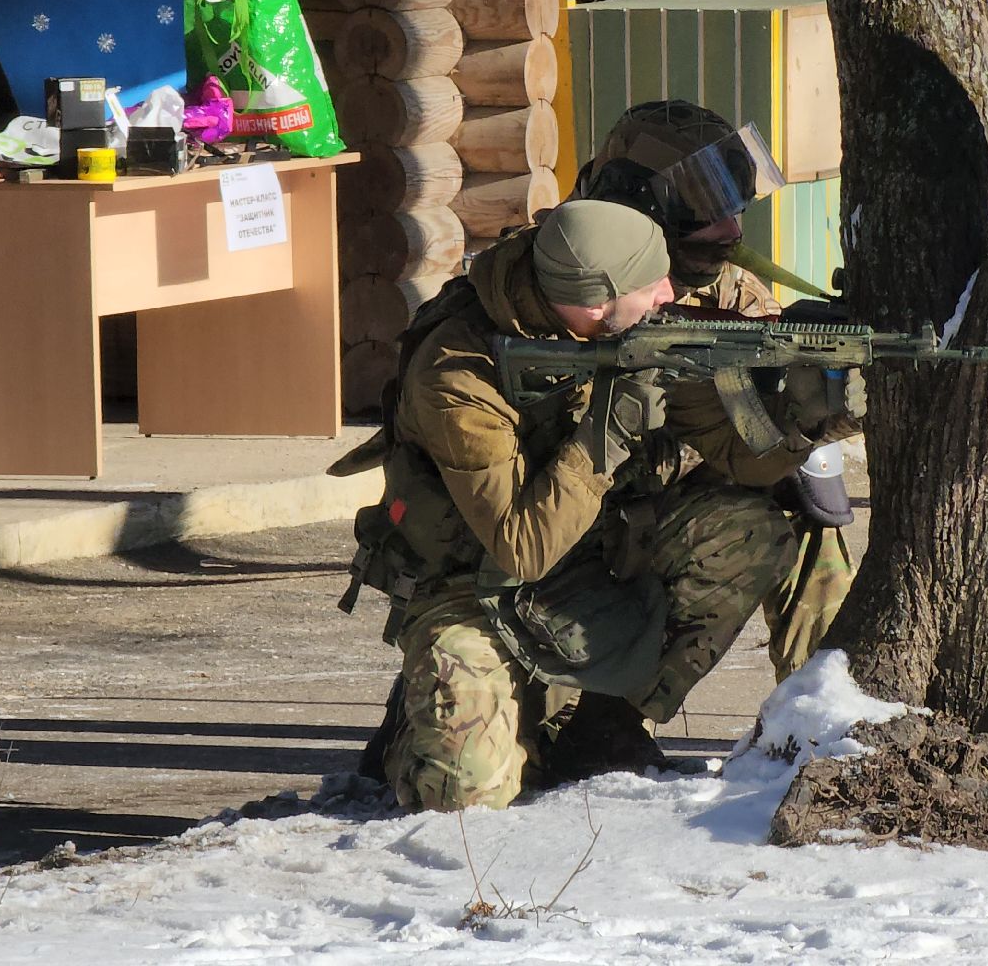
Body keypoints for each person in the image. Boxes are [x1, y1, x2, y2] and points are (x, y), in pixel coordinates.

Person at [343, 198, 860, 812]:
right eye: (652, 282)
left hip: (598, 561)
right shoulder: (458, 373)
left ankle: (603, 725)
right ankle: (434, 726)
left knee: (746, 529)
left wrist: (810, 420)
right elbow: (521, 548)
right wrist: (606, 433)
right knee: (464, 801)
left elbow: (735, 456)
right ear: (594, 306)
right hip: (475, 590)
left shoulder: (634, 331)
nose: (672, 291)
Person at [570, 99, 857, 680]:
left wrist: (813, 416)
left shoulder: (734, 296)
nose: (733, 228)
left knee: (802, 513)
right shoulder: (561, 283)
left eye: (735, 201)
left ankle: (819, 708)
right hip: (565, 533)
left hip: (672, 518)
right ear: (638, 204)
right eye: (707, 206)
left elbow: (755, 445)